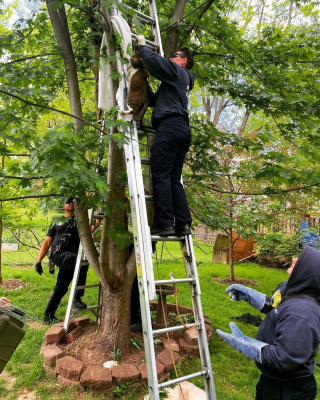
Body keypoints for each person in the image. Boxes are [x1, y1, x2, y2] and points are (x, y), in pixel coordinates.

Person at [216, 245, 320, 400]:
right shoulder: (290, 287)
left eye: (300, 260)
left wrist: (244, 344)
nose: (293, 259)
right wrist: (249, 295)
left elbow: (284, 358)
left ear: (308, 271)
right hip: (271, 380)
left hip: (290, 390)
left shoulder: (303, 315)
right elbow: (275, 304)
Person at [136, 35, 195, 237]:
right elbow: (154, 100)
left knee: (160, 175)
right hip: (181, 129)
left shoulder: (179, 72)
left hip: (170, 128)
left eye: (174, 55)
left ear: (184, 60)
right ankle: (183, 223)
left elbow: (155, 62)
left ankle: (164, 224)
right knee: (172, 178)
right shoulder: (175, 83)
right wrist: (141, 81)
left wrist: (143, 47)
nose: (170, 57)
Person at [35, 197, 88, 324]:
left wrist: (96, 220)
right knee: (80, 260)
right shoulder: (56, 221)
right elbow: (47, 242)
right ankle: (77, 297)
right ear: (63, 206)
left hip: (72, 259)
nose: (70, 203)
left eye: (73, 201)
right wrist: (38, 261)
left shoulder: (80, 220)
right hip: (59, 255)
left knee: (61, 287)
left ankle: (48, 315)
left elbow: (89, 232)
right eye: (67, 201)